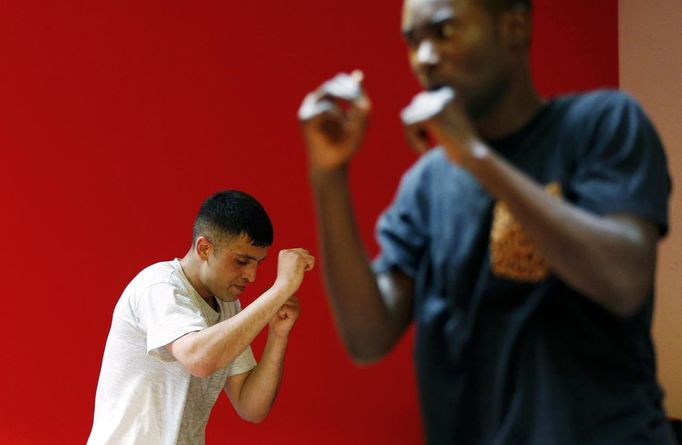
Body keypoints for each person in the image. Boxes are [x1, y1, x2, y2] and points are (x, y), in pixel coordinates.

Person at [298, 0, 675, 443]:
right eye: (413, 41)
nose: (425, 57)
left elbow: (623, 280)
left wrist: (478, 158)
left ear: (514, 26)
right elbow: (367, 336)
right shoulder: (426, 183)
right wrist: (329, 175)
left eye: (444, 32)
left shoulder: (602, 123)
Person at [87, 190, 315, 445]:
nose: (251, 275)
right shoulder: (159, 286)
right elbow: (199, 359)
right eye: (241, 261)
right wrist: (280, 289)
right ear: (205, 248)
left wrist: (277, 334)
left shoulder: (228, 306)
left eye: (258, 264)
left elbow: (251, 407)